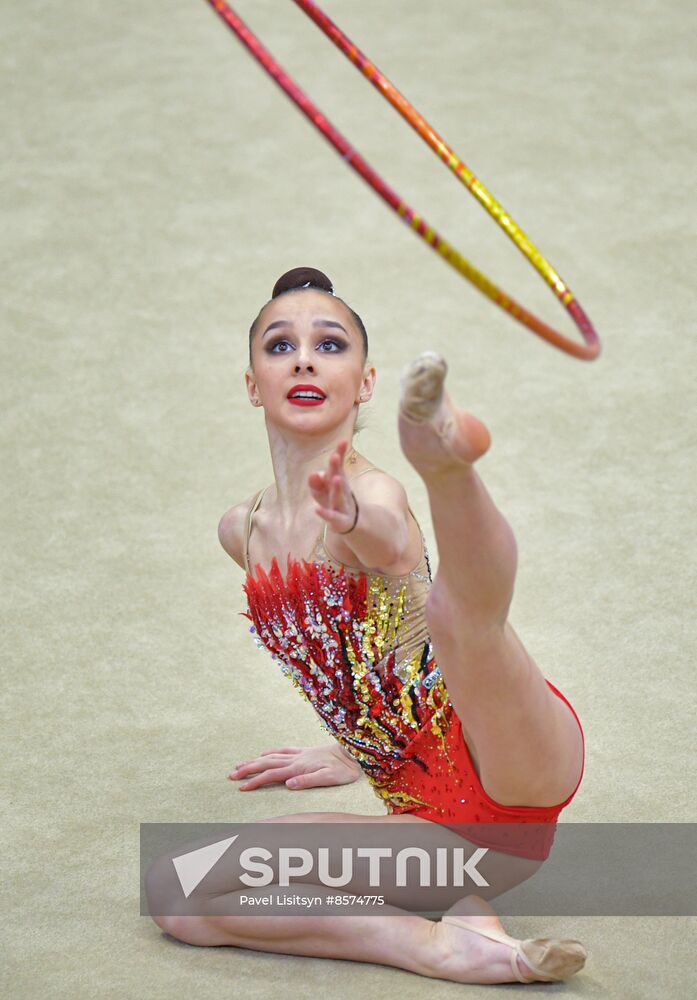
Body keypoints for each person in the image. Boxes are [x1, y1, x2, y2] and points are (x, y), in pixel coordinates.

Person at [147, 266, 587, 984]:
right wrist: (352, 750)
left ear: (366, 380)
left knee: (459, 620)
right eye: (279, 344)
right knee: (175, 890)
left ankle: (446, 467)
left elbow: (384, 540)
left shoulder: (371, 491)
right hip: (436, 831)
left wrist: (351, 517)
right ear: (252, 383)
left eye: (330, 343)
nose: (304, 358)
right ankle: (446, 946)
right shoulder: (241, 532)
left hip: (503, 745)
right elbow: (347, 653)